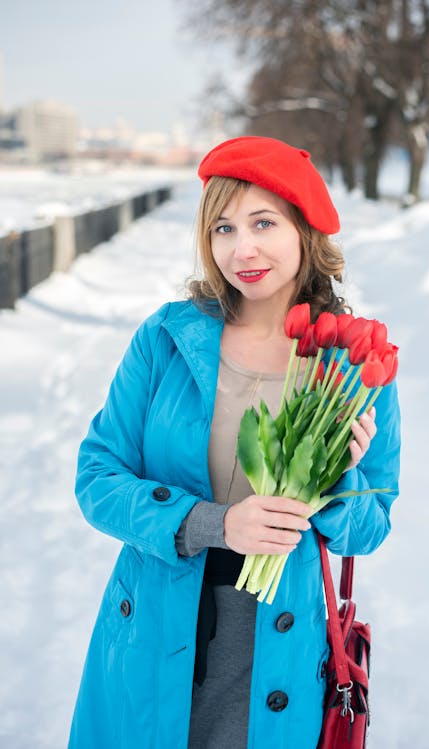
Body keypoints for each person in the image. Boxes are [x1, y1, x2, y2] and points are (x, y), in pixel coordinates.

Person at [68, 136, 400, 749]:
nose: (240, 249)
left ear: (305, 230)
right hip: (155, 631)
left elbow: (371, 527)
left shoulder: (350, 360)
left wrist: (339, 481)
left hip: (279, 645)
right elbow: (97, 478)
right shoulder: (167, 339)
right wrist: (212, 523)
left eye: (263, 223)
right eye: (222, 228)